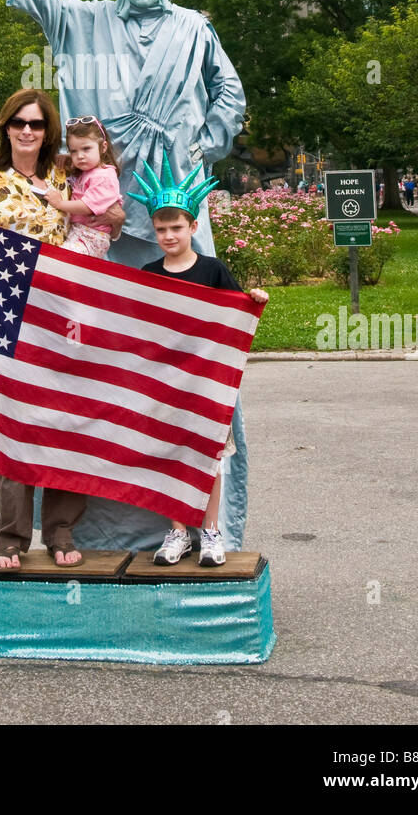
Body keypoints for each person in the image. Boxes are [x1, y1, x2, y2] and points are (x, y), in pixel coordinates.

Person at [0, 0, 251, 554]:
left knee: (193, 345)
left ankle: (200, 521)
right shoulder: (89, 22)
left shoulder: (195, 27)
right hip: (98, 218)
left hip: (177, 207)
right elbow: (49, 3)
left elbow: (231, 92)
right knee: (91, 352)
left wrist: (207, 139)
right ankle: (85, 524)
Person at [0, 89, 125, 572]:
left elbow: (107, 215)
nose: (29, 131)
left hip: (66, 313)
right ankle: (11, 535)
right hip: (8, 315)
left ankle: (61, 526)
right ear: (6, 127)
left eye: (39, 124)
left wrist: (114, 217)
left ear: (48, 132)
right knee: (15, 423)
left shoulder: (65, 172)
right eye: (20, 122)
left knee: (67, 418)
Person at [127, 156, 268, 566]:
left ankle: (210, 532)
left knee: (207, 459)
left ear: (193, 227)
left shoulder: (212, 270)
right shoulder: (149, 273)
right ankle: (177, 532)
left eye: (177, 227)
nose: (169, 235)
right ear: (154, 232)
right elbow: (138, 325)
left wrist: (254, 299)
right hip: (166, 385)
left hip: (205, 385)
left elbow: (235, 316)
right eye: (161, 229)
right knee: (171, 457)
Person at [36, 116, 121, 259]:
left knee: (59, 261)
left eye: (86, 149)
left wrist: (59, 203)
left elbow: (88, 206)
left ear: (103, 147)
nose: (80, 156)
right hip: (79, 232)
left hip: (91, 236)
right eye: (74, 151)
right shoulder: (88, 172)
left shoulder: (104, 176)